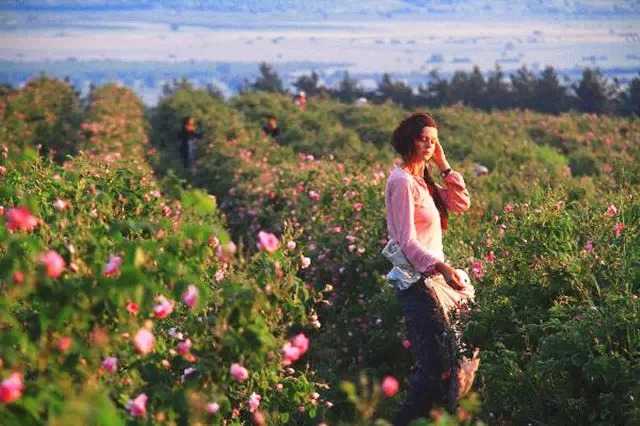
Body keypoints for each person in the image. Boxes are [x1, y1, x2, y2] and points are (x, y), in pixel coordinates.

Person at [383, 112, 475, 425]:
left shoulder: (423, 182)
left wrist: (443, 164)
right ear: (409, 140)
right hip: (418, 285)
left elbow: (462, 204)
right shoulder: (401, 182)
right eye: (424, 139)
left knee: (450, 362)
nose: (429, 145)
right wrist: (442, 266)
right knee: (433, 366)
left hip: (433, 283)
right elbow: (407, 242)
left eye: (433, 141)